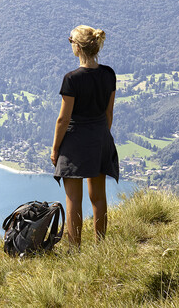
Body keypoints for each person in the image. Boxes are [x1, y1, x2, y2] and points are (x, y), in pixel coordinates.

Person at [50, 25, 118, 249]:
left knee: (73, 200)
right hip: (100, 138)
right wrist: (102, 137)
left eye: (70, 40)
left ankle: (74, 250)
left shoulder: (72, 79)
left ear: (77, 47)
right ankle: (101, 246)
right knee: (98, 197)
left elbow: (63, 119)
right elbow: (109, 113)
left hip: (75, 143)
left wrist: (55, 148)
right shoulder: (108, 74)